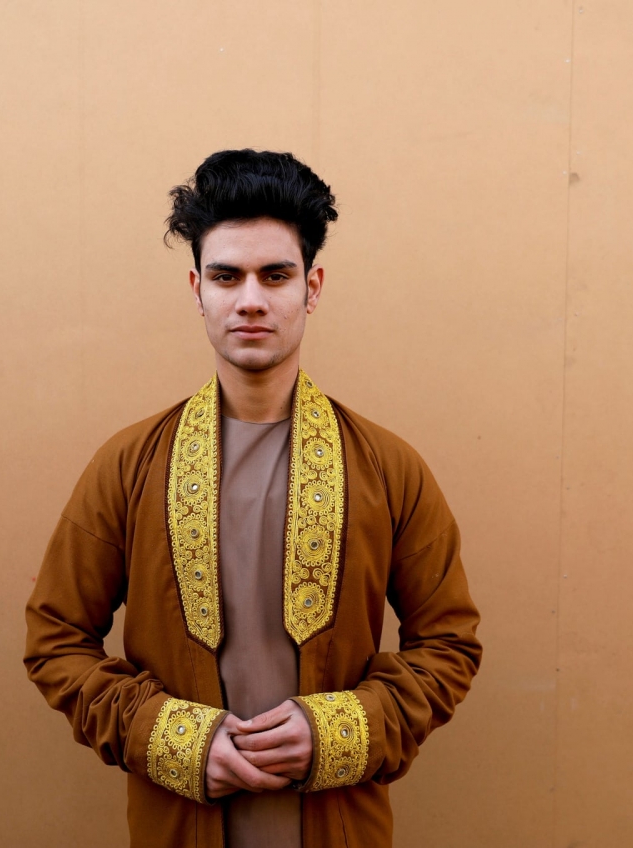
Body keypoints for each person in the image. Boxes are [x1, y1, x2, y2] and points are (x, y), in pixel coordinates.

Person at [24, 149, 482, 848]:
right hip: (177, 828)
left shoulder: (389, 469)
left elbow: (449, 644)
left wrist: (339, 732)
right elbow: (54, 639)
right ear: (197, 289)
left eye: (275, 275)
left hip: (341, 827)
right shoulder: (128, 466)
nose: (250, 300)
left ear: (312, 286)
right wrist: (171, 738)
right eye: (225, 276)